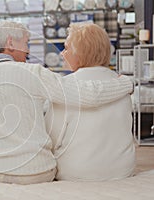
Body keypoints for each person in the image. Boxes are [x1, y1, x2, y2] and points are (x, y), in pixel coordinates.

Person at [0, 21, 133, 184]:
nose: (28, 50)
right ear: (10, 43)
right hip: (35, 172)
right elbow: (89, 96)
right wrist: (127, 83)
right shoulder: (32, 72)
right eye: (26, 43)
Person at [45, 22, 135, 181]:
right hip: (122, 169)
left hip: (77, 172)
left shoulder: (65, 87)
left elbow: (51, 139)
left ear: (80, 53)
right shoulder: (121, 85)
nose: (62, 54)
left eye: (66, 48)